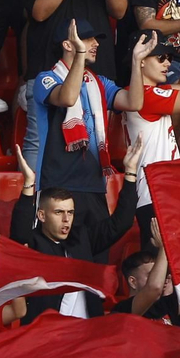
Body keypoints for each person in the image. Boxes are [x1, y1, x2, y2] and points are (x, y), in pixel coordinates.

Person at [26, 20, 150, 226]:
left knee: (98, 246)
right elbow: (68, 97)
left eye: (95, 39)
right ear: (68, 44)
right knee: (57, 247)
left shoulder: (98, 82)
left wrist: (137, 63)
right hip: (56, 184)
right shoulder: (46, 78)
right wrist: (80, 56)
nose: (96, 43)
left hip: (93, 185)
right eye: (87, 39)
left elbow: (133, 102)